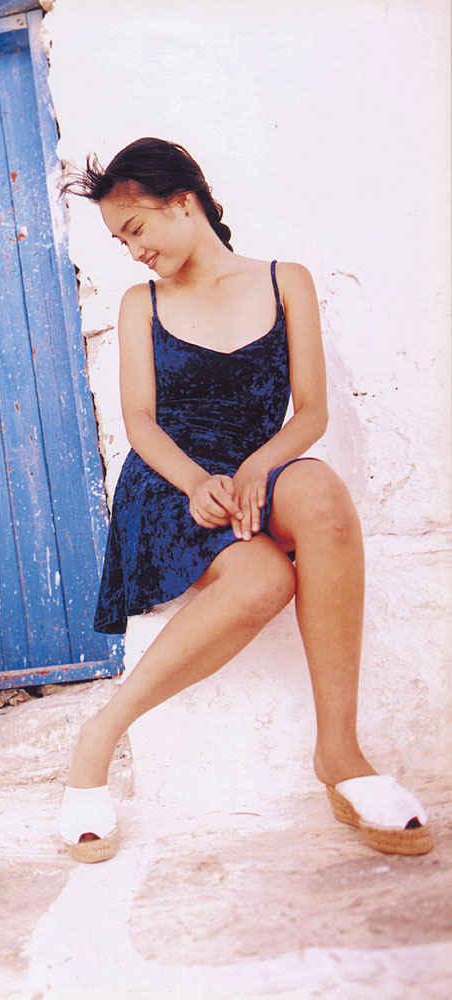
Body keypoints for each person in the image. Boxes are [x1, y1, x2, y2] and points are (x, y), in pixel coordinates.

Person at [57, 137, 432, 864]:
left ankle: (340, 754)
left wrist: (259, 466)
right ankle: (99, 735)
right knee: (264, 578)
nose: (132, 250)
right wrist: (196, 482)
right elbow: (141, 422)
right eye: (119, 241)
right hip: (172, 483)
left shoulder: (287, 281)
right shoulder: (141, 304)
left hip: (259, 472)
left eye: (134, 228)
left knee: (321, 493)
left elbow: (312, 412)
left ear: (182, 202)